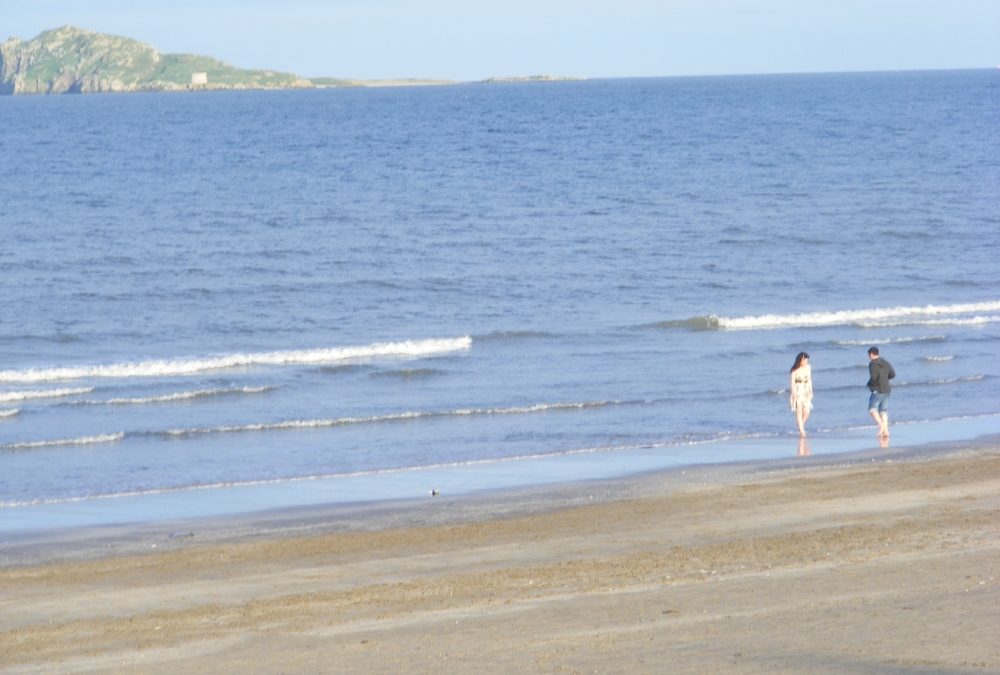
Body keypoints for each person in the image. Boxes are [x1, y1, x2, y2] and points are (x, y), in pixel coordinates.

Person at [866, 346, 895, 439]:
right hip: (886, 389)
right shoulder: (885, 362)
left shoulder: (872, 364)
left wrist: (869, 384)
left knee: (872, 409)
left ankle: (882, 427)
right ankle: (886, 431)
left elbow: (873, 378)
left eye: (868, 355)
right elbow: (892, 374)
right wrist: (885, 379)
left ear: (871, 354)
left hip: (877, 390)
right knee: (883, 411)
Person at [789, 351, 813, 436]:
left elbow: (809, 380)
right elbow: (792, 383)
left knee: (807, 411)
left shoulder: (808, 367)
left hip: (806, 390)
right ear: (800, 360)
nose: (806, 362)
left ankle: (800, 425)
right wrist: (794, 394)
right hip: (798, 391)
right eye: (805, 360)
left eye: (807, 360)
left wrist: (811, 391)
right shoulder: (794, 370)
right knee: (799, 411)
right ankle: (802, 431)